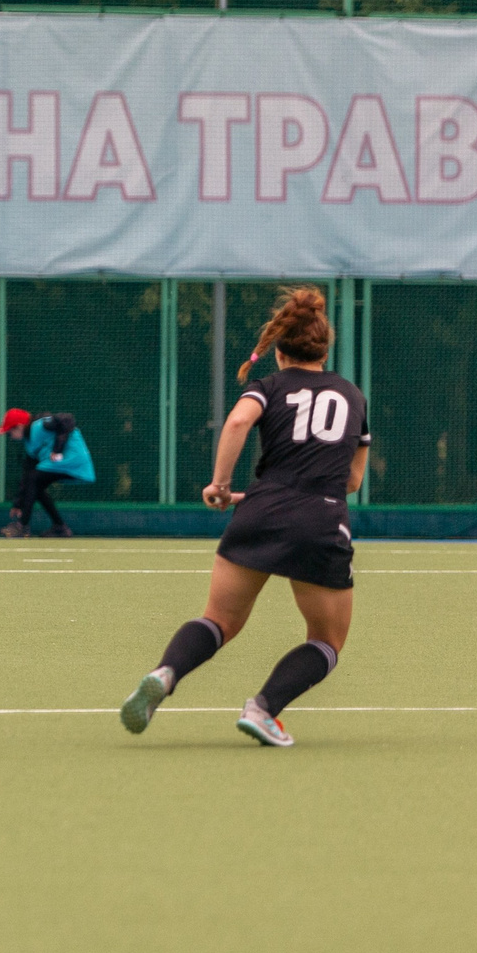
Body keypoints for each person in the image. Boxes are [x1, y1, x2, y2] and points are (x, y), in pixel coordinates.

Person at [118, 286, 367, 749]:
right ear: (325, 348)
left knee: (219, 621)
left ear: (278, 351)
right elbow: (351, 481)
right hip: (321, 522)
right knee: (327, 641)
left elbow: (236, 423)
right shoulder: (352, 396)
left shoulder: (268, 387)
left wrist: (219, 486)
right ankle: (263, 710)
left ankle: (165, 673)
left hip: (260, 512)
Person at [0, 407, 92, 537]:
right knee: (36, 486)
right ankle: (60, 527)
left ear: (19, 427)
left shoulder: (40, 425)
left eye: (9, 433)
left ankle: (22, 526)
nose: (11, 437)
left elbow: (67, 419)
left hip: (72, 460)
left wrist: (57, 449)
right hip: (59, 464)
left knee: (34, 479)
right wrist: (18, 503)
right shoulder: (29, 445)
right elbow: (26, 476)